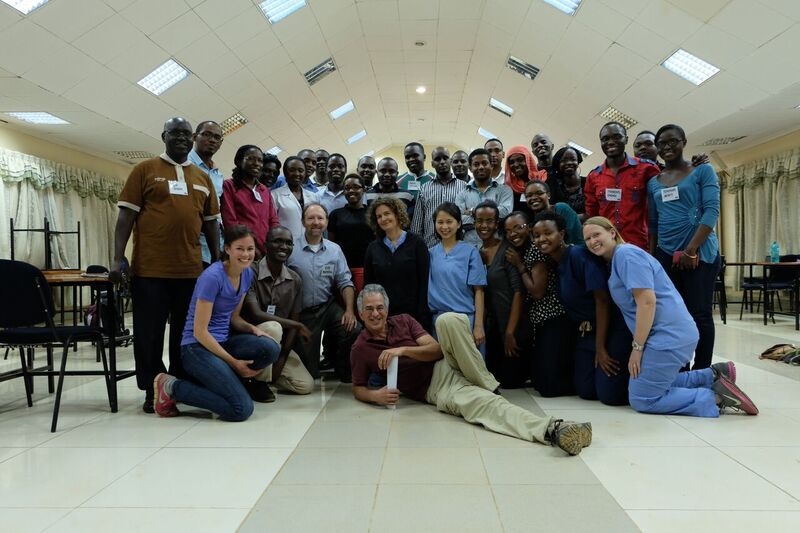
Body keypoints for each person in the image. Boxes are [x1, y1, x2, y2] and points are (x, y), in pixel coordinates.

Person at [350, 284, 592, 455]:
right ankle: (555, 429)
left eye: (380, 307)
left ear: (387, 308)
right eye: (369, 309)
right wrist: (375, 396)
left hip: (450, 361)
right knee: (488, 406)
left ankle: (486, 384)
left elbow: (435, 350)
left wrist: (403, 350)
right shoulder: (361, 348)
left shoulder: (403, 320)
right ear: (361, 314)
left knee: (447, 320)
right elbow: (358, 388)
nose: (375, 313)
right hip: (436, 387)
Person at [583, 216, 758, 417]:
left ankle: (717, 397)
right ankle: (712, 375)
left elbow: (647, 302)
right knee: (646, 383)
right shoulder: (619, 258)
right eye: (587, 239)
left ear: (612, 232)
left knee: (643, 399)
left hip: (669, 335)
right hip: (669, 334)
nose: (592, 241)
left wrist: (637, 349)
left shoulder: (626, 255)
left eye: (597, 234)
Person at [112, 117, 221, 413]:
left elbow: (211, 225)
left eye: (186, 134)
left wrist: (217, 261)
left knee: (184, 336)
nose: (182, 138)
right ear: (164, 136)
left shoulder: (202, 177)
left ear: (192, 138)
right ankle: (151, 387)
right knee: (149, 334)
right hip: (150, 271)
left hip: (190, 272)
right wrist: (117, 257)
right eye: (176, 133)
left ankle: (177, 386)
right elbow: (125, 219)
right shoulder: (144, 170)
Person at [152, 225, 280, 421]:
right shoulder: (212, 277)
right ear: (227, 249)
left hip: (223, 341)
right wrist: (235, 363)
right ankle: (172, 387)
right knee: (241, 410)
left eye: (250, 249)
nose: (246, 254)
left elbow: (234, 318)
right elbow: (200, 331)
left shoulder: (246, 273)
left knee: (270, 347)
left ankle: (226, 386)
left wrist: (253, 329)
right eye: (240, 249)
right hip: (196, 347)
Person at [534, 212, 630, 405]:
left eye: (547, 233)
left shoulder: (578, 255)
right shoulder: (556, 264)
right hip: (585, 333)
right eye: (536, 235)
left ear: (561, 234)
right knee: (585, 390)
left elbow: (602, 301)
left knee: (609, 396)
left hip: (610, 329)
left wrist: (601, 349)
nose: (541, 239)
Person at [647, 124, 721, 370]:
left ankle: (701, 372)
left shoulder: (702, 171)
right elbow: (654, 222)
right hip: (666, 254)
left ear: (684, 142)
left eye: (672, 141)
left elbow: (711, 212)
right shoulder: (654, 183)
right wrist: (654, 256)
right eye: (662, 144)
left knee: (699, 314)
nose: (666, 147)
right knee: (674, 316)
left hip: (699, 253)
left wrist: (691, 250)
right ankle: (680, 370)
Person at [287, 203, 361, 381]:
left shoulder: (334, 250)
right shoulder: (290, 248)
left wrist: (350, 311)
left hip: (327, 307)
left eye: (320, 218)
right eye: (311, 218)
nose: (316, 222)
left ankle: (342, 368)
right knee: (309, 374)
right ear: (303, 221)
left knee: (353, 328)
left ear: (326, 222)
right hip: (302, 314)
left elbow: (345, 282)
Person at [504, 211, 574, 397]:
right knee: (539, 380)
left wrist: (520, 267)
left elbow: (537, 291)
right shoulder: (529, 248)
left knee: (548, 386)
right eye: (508, 230)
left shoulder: (534, 250)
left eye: (518, 227)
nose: (513, 233)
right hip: (542, 318)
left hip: (553, 315)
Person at [241, 226, 314, 396]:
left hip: (276, 344)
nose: (283, 246)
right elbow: (255, 314)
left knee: (305, 385)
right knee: (273, 327)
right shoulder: (250, 271)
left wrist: (281, 358)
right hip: (249, 341)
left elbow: (292, 328)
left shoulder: (295, 279)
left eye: (288, 243)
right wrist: (297, 325)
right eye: (278, 241)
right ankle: (259, 383)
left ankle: (255, 375)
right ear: (266, 245)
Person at [475, 201, 527, 388]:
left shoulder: (507, 251)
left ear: (497, 223)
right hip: (491, 327)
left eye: (489, 221)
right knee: (492, 376)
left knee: (509, 382)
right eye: (480, 221)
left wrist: (510, 332)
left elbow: (519, 292)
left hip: (512, 326)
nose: (484, 226)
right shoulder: (476, 253)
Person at [584, 121, 660, 249]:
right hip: (608, 248)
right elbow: (592, 215)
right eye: (605, 139)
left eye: (617, 137)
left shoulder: (647, 169)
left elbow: (659, 208)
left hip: (640, 245)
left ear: (626, 140)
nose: (611, 142)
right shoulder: (593, 177)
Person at [364, 196, 431, 331]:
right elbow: (369, 285)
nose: (383, 219)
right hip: (384, 316)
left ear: (397, 214)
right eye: (379, 216)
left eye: (387, 213)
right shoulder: (373, 248)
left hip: (414, 315)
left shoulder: (417, 243)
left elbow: (424, 282)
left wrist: (421, 315)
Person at [427, 202, 486, 352]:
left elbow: (479, 291)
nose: (444, 227)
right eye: (440, 222)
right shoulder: (430, 254)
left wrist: (478, 326)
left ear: (459, 223)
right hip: (439, 321)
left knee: (472, 372)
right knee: (443, 371)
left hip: (466, 320)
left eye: (449, 222)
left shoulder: (470, 252)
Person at [220, 144, 279, 256]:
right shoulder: (229, 186)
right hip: (243, 250)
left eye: (260, 160)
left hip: (266, 250)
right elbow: (230, 222)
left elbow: (273, 220)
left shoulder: (264, 190)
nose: (256, 163)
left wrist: (273, 244)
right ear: (239, 161)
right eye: (251, 159)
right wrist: (250, 247)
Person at [410, 146, 468, 247]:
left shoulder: (464, 187)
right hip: (429, 247)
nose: (442, 162)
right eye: (437, 159)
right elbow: (417, 225)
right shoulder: (424, 188)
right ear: (432, 164)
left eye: (445, 158)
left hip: (458, 248)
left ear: (450, 161)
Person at [456, 148, 513, 247]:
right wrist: (492, 217)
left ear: (491, 166)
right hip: (469, 248)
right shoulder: (462, 194)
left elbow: (505, 213)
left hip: (497, 247)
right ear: (470, 168)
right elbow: (459, 220)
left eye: (484, 163)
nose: (481, 167)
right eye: (476, 164)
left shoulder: (505, 190)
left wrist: (472, 211)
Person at [188, 120, 224, 267]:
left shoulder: (217, 174)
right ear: (195, 137)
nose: (212, 140)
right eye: (207, 135)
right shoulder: (185, 165)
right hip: (191, 245)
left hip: (214, 246)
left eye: (217, 137)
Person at [329, 174, 373, 294]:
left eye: (356, 187)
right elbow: (332, 245)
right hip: (341, 269)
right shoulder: (335, 214)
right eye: (347, 188)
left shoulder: (372, 213)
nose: (351, 190)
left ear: (363, 189)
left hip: (366, 268)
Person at [271, 156, 319, 240]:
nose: (297, 174)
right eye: (292, 170)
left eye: (301, 171)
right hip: (285, 244)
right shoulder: (274, 195)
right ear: (285, 173)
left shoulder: (313, 196)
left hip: (310, 242)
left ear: (304, 173)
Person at [523, 180, 583, 245]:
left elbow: (572, 238)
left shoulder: (561, 209)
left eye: (539, 193)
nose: (534, 198)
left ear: (548, 195)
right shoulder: (532, 222)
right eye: (529, 196)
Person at [504, 145, 547, 212]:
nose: (516, 164)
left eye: (520, 160)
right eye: (511, 162)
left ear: (528, 160)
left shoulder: (543, 178)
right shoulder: (509, 187)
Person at [550, 146, 586, 221]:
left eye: (573, 159)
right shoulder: (554, 186)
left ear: (578, 162)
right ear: (558, 165)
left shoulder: (588, 182)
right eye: (564, 161)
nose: (569, 163)